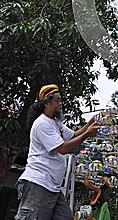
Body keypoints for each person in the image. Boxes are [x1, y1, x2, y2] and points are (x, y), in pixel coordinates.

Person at [15, 84, 100, 220]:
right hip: (39, 182)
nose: (60, 104)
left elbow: (72, 136)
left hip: (52, 186)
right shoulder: (42, 124)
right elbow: (63, 148)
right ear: (46, 103)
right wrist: (87, 135)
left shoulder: (55, 122)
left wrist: (90, 122)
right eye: (57, 100)